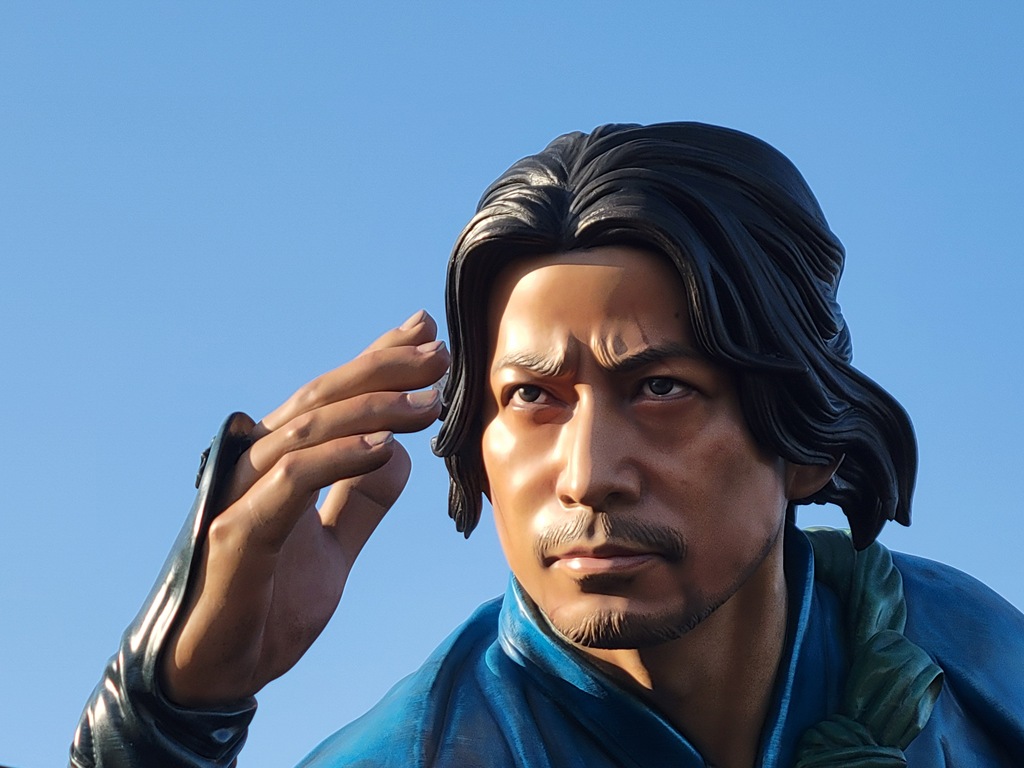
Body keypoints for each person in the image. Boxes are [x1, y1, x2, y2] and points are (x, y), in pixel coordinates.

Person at [71, 122, 1024, 768]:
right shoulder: (425, 751)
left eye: (662, 389)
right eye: (531, 397)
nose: (588, 475)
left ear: (805, 440)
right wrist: (170, 713)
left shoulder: (965, 653)